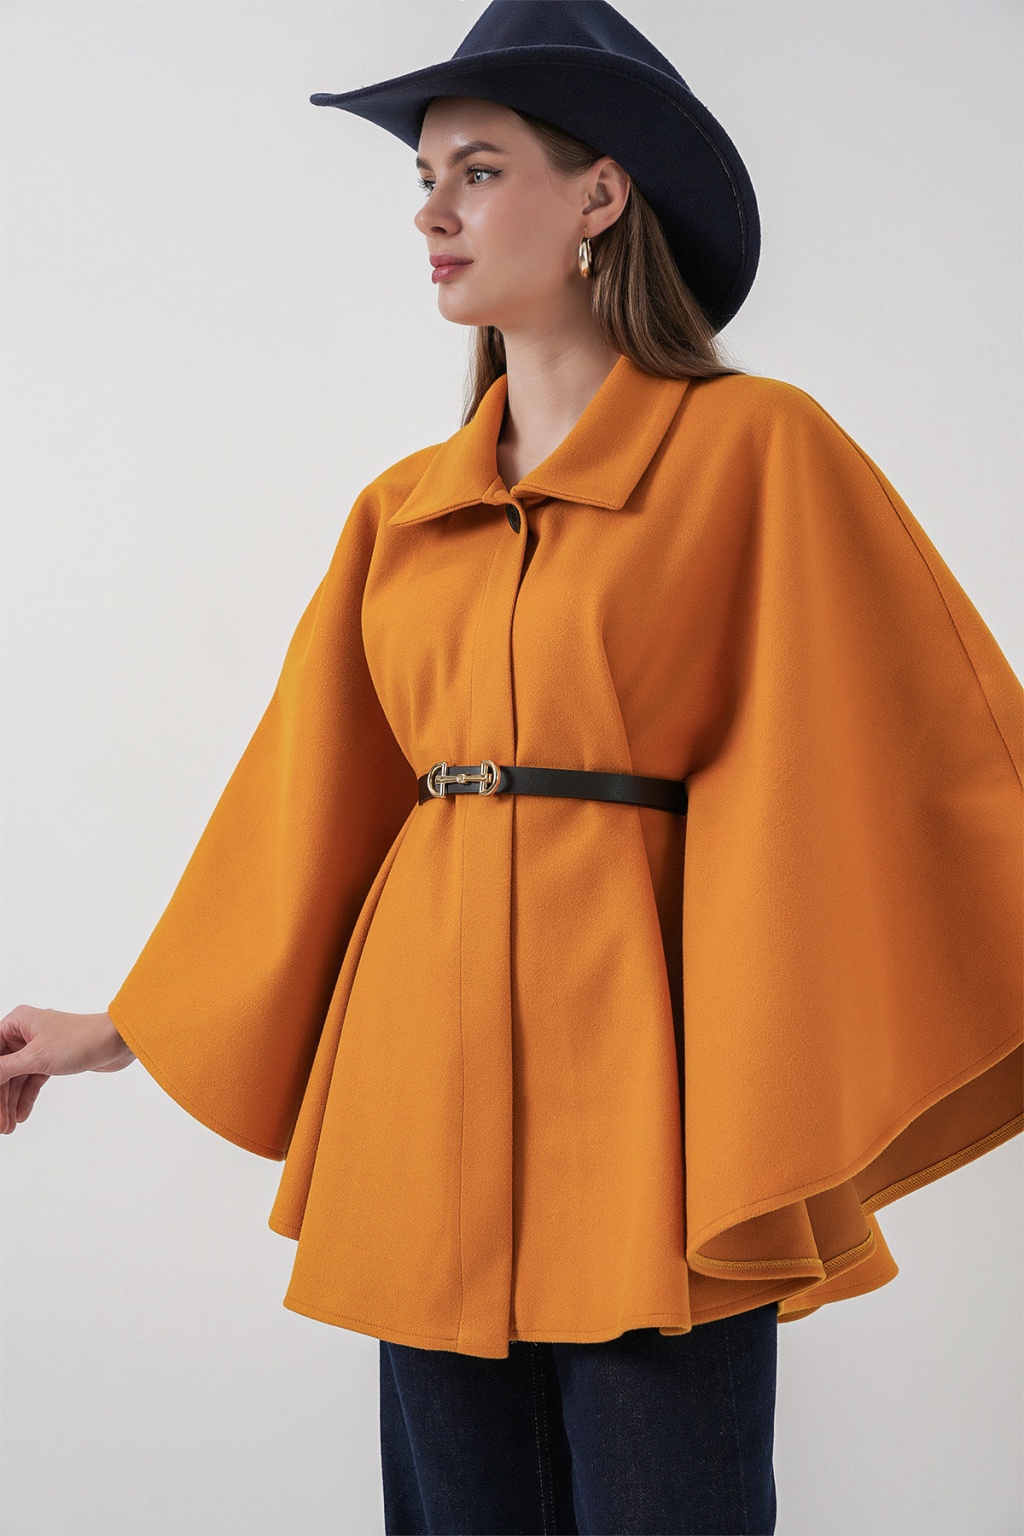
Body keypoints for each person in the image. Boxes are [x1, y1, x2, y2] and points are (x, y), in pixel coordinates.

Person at [2, 4, 1021, 1533]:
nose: (431, 214)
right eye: (424, 178)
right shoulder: (403, 512)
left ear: (600, 193)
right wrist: (123, 1030)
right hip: (420, 1098)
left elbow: (935, 743)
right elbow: (303, 811)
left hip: (653, 1111)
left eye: (477, 172)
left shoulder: (756, 450)